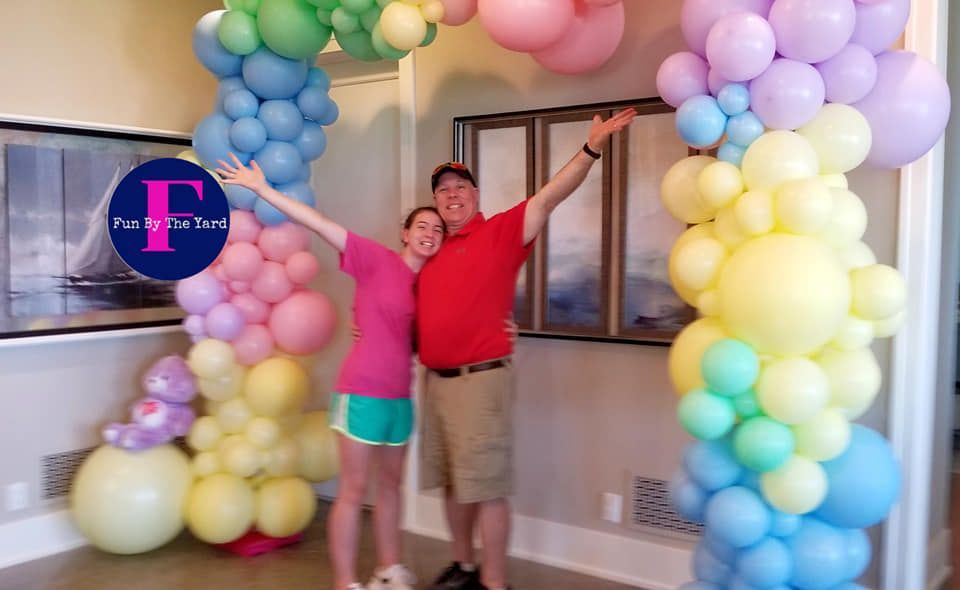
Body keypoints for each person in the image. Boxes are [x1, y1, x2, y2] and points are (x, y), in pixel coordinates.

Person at [416, 108, 638, 590]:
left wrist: (591, 146)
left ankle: (495, 582)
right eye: (443, 190)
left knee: (488, 487)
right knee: (456, 481)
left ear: (475, 195)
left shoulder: (502, 231)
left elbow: (552, 194)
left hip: (481, 379)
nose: (452, 195)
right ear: (435, 201)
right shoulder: (427, 249)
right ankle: (464, 565)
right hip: (435, 383)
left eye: (460, 188)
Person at [216, 153, 443, 590]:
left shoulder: (431, 285)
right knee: (355, 490)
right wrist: (263, 190)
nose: (430, 234)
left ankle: (388, 569)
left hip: (402, 398)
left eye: (437, 230)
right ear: (405, 233)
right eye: (423, 226)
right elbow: (320, 223)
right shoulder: (376, 260)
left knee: (392, 487)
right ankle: (344, 582)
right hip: (361, 392)